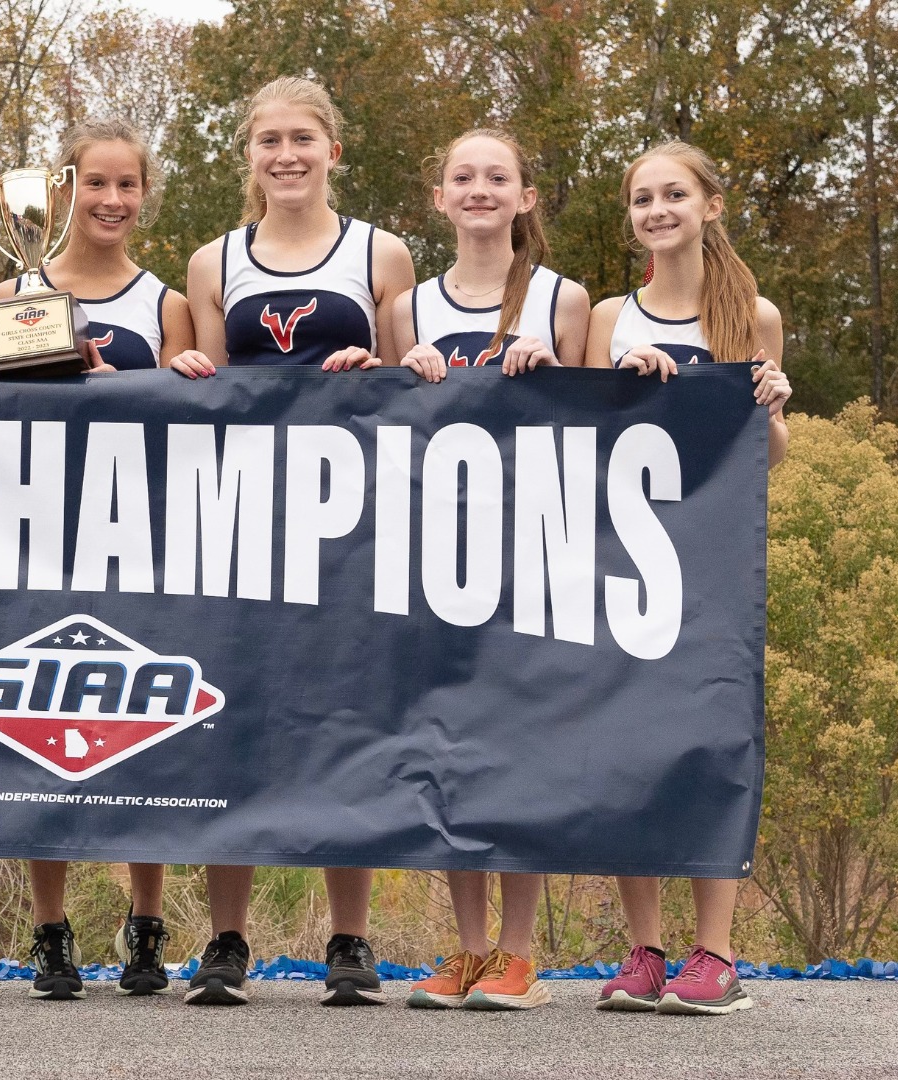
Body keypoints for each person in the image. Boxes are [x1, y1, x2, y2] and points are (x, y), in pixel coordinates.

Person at [168, 76, 417, 1007]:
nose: (286, 155)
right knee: (231, 721)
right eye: (268, 140)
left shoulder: (381, 253)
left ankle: (349, 940)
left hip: (350, 524)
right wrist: (185, 367)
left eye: (303, 138)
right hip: (239, 523)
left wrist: (381, 365)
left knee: (346, 722)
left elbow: (417, 387)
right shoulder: (213, 260)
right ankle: (226, 939)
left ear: (332, 151)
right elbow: (203, 393)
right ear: (249, 155)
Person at [0, 117, 194, 1000]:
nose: (111, 200)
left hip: (149, 538)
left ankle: (146, 924)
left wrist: (162, 378)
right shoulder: (14, 287)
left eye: (126, 185)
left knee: (151, 731)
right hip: (41, 535)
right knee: (43, 731)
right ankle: (50, 929)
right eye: (94, 183)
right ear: (62, 189)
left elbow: (217, 422)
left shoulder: (167, 302)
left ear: (144, 195)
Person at [586, 139, 791, 1015]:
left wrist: (773, 409)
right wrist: (630, 391)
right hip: (621, 565)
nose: (657, 210)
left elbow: (767, 461)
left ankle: (717, 955)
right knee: (625, 751)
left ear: (710, 205)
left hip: (710, 566)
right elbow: (583, 446)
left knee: (713, 750)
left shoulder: (756, 315)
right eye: (642, 199)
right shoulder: (606, 317)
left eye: (674, 194)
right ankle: (645, 948)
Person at [393, 128, 591, 1012]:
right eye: (462, 176)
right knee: (445, 751)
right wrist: (402, 372)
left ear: (526, 198)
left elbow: (601, 434)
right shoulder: (406, 304)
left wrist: (552, 381)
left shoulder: (567, 298)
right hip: (435, 554)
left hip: (534, 551)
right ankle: (468, 950)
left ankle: (519, 956)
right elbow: (378, 425)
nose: (479, 189)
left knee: (521, 753)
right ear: (439, 198)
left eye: (497, 177)